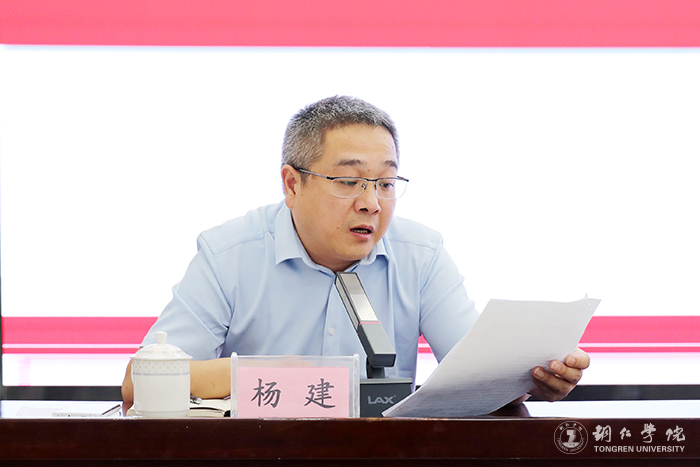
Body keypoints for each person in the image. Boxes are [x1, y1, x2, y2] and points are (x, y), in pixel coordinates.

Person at [121, 95, 589, 407]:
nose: (372, 202)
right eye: (348, 181)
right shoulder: (229, 254)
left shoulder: (421, 254)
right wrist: (285, 376)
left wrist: (533, 379)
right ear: (292, 184)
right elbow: (137, 385)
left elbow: (477, 375)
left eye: (386, 182)